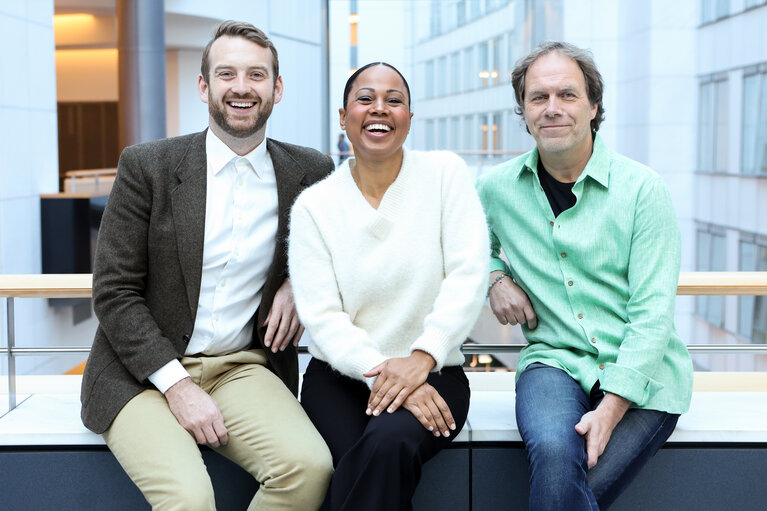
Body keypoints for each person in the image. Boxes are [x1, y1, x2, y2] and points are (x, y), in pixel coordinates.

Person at [80, 21, 333, 510]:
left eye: (257, 75)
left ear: (277, 89)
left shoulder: (310, 171)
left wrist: (300, 282)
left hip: (242, 368)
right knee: (190, 499)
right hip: (140, 374)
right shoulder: (147, 166)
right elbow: (114, 292)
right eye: (227, 74)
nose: (242, 87)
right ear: (205, 86)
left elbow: (339, 252)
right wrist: (176, 385)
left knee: (307, 468)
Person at [476, 41, 693, 510]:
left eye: (567, 95)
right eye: (539, 97)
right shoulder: (494, 188)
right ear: (524, 110)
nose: (552, 109)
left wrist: (611, 409)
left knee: (568, 492)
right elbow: (459, 247)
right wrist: (495, 277)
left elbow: (652, 314)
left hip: (644, 374)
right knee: (556, 452)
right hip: (552, 360)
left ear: (594, 106)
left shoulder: (643, 190)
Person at [288, 62, 489, 511]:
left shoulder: (445, 176)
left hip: (436, 370)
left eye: (394, 100)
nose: (379, 108)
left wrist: (420, 360)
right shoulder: (314, 208)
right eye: (365, 98)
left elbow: (468, 274)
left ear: (410, 119)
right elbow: (322, 316)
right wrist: (392, 375)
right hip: (339, 380)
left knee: (386, 444)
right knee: (376, 464)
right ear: (343, 117)